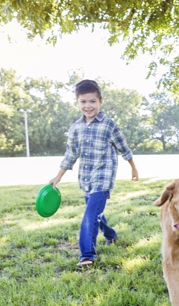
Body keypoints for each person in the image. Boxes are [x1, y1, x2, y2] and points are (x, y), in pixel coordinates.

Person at [49, 79, 139, 267]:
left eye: (92, 101)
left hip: (103, 179)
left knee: (90, 215)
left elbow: (124, 148)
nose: (87, 106)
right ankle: (110, 234)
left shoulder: (109, 125)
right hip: (86, 180)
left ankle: (87, 255)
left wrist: (133, 167)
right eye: (83, 101)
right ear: (77, 102)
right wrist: (57, 177)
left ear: (100, 101)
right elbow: (70, 155)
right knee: (95, 213)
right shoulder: (75, 128)